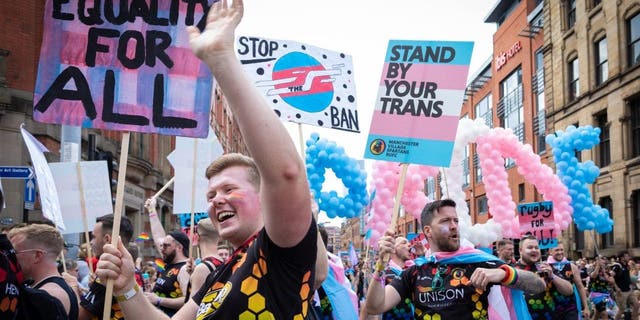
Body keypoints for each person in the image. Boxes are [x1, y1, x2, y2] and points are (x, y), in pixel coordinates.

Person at [95, 1, 327, 319]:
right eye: (211, 195)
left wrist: (221, 59)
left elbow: (286, 172)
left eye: (229, 189)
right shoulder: (222, 271)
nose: (217, 200)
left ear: (264, 196)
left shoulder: (279, 252)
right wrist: (126, 288)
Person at [366, 199, 546, 319]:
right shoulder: (414, 272)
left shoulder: (479, 261)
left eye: (456, 221)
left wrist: (502, 274)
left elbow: (538, 285)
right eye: (445, 221)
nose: (454, 227)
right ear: (428, 231)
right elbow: (375, 307)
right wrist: (381, 265)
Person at [9, 223, 79, 320]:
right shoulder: (49, 288)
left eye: (15, 252)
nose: (10, 257)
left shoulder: (51, 294)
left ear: (37, 255)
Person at [79, 214, 133, 320]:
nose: (90, 242)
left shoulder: (109, 273)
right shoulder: (129, 269)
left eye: (93, 237)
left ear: (107, 239)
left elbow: (80, 316)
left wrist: (73, 287)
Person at [514, 235, 573, 319]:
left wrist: (552, 276)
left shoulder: (546, 268)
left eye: (536, 247)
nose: (534, 250)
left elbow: (569, 291)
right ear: (520, 250)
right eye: (530, 247)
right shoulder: (512, 270)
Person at [143, 230, 190, 316]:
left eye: (165, 246)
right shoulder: (169, 265)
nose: (161, 249)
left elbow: (188, 300)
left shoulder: (184, 269)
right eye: (161, 246)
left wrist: (158, 300)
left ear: (179, 247)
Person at [546, 243, 590, 320]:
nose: (560, 252)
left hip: (570, 308)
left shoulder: (571, 266)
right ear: (550, 251)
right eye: (557, 250)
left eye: (561, 250)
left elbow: (580, 287)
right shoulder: (546, 267)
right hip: (552, 308)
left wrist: (586, 307)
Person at [187, 218, 224, 300]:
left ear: (196, 238)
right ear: (220, 237)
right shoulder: (223, 263)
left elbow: (192, 309)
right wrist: (193, 274)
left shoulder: (202, 268)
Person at [611, 251, 639, 320]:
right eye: (627, 256)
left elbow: (627, 276)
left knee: (637, 305)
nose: (628, 257)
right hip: (621, 292)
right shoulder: (617, 266)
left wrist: (631, 284)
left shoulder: (626, 265)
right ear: (622, 258)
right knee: (621, 310)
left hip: (629, 290)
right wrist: (616, 288)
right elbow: (611, 276)